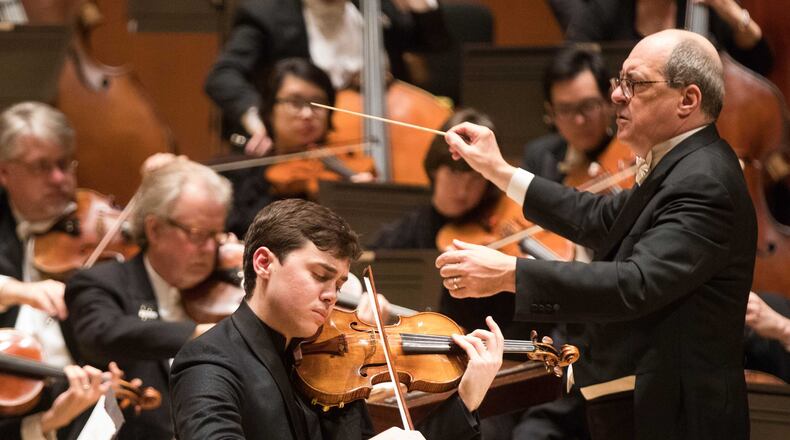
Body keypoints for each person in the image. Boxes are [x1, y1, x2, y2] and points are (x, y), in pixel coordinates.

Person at [437, 29, 756, 439]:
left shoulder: (704, 180)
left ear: (688, 100)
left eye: (635, 84)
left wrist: (509, 274)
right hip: (646, 405)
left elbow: (635, 283)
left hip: (679, 417)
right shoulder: (680, 165)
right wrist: (498, 170)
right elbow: (598, 216)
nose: (617, 96)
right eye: (619, 82)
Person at [170, 198, 504, 439]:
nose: (332, 295)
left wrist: (466, 400)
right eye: (319, 276)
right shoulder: (209, 363)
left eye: (340, 285)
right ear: (264, 263)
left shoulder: (336, 363)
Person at [64, 159, 232, 439]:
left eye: (216, 235)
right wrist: (195, 334)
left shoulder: (227, 285)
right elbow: (100, 333)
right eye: (197, 234)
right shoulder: (101, 283)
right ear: (155, 229)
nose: (209, 248)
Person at [205, 0, 451, 156]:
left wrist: (423, 5)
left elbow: (435, 43)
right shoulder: (265, 14)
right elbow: (223, 75)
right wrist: (257, 116)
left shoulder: (373, 7)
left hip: (380, 138)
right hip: (308, 144)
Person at [224, 57, 374, 238]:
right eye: (295, 102)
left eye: (318, 104)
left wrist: (360, 202)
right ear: (270, 110)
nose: (307, 114)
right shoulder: (244, 175)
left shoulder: (343, 167)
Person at [0, 101, 77, 369]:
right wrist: (17, 291)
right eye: (41, 167)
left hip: (85, 375)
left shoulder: (96, 225)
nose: (58, 178)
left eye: (64, 164)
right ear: (4, 172)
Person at [565, 0, 773, 76]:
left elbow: (759, 65)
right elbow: (571, 63)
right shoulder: (607, 7)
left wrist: (734, 14)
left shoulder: (705, 6)